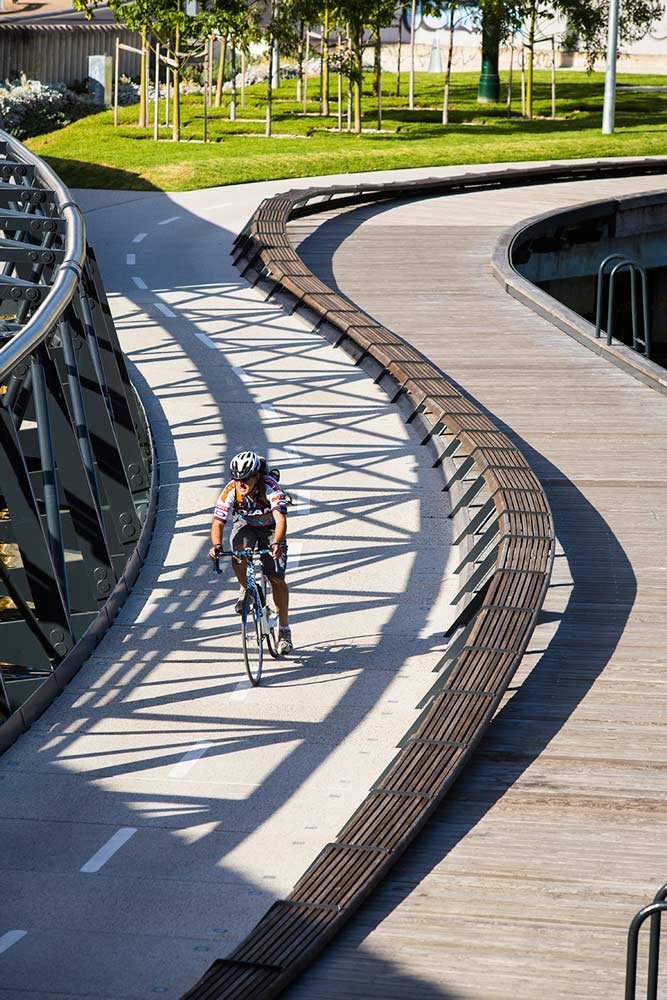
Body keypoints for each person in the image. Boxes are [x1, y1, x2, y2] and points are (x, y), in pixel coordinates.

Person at [209, 450, 293, 655]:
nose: (241, 483)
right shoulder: (231, 490)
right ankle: (247, 588)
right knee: (238, 553)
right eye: (236, 479)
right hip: (245, 525)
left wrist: (277, 544)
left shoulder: (270, 487)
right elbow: (218, 522)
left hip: (270, 527)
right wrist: (216, 545)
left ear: (256, 476)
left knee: (276, 577)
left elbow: (281, 520)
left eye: (245, 479)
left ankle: (284, 631)